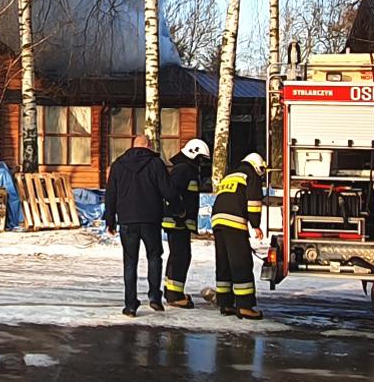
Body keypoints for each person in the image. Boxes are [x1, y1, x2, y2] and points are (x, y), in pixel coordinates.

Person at [105, 135, 175, 317]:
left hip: (127, 220)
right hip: (151, 219)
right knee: (154, 256)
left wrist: (110, 220)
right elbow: (167, 190)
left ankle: (130, 305)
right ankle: (155, 297)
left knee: (130, 262)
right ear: (148, 146)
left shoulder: (118, 165)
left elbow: (111, 194)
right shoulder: (156, 163)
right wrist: (179, 209)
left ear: (133, 145)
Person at [211, 152, 267, 320]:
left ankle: (225, 303)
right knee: (241, 262)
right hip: (234, 222)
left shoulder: (230, 176)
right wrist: (255, 225)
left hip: (217, 221)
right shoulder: (251, 175)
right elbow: (253, 201)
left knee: (224, 263)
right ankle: (245, 306)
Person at [162, 138, 210, 308]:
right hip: (178, 222)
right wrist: (180, 213)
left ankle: (171, 291)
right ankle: (175, 296)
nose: (202, 163)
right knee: (181, 257)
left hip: (179, 222)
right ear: (193, 154)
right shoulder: (184, 170)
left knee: (177, 256)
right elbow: (172, 193)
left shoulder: (184, 169)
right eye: (201, 159)